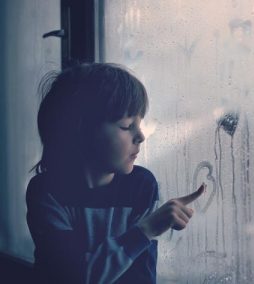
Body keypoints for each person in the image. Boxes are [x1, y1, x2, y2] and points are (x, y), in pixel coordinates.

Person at [26, 63, 205, 284]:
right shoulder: (46, 192)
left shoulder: (141, 186)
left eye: (139, 124)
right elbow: (75, 278)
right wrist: (146, 229)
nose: (141, 136)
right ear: (81, 131)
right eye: (126, 125)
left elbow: (141, 277)